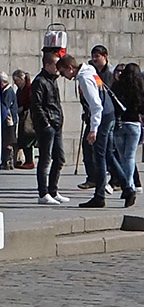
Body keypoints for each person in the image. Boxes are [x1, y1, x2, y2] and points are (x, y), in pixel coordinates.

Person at [58, 53, 115, 208]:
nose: (64, 77)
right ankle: (126, 187)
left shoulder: (84, 78)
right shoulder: (89, 69)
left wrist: (93, 129)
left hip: (101, 117)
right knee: (107, 154)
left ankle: (100, 196)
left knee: (100, 157)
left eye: (63, 72)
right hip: (108, 114)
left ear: (70, 68)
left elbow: (96, 105)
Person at [30, 51, 69, 205]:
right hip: (48, 125)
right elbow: (36, 105)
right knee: (45, 159)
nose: (58, 68)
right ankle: (43, 193)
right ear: (47, 65)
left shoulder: (52, 80)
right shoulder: (40, 81)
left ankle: (53, 190)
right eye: (55, 65)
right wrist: (46, 122)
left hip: (56, 123)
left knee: (59, 158)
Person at [77, 44, 116, 190]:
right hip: (93, 114)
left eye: (97, 56)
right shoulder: (90, 70)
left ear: (104, 56)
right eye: (93, 56)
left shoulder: (110, 73)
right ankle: (92, 178)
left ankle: (118, 180)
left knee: (107, 151)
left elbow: (103, 97)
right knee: (89, 147)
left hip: (105, 114)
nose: (94, 59)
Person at [110, 62, 143, 208]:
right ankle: (129, 185)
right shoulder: (140, 87)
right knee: (130, 156)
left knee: (121, 156)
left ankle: (127, 186)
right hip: (134, 123)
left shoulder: (117, 86)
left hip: (119, 124)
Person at [12, 69, 36, 169]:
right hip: (22, 116)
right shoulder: (20, 90)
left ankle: (29, 161)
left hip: (28, 116)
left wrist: (23, 107)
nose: (15, 83)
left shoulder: (29, 88)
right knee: (23, 138)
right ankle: (26, 160)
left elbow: (31, 101)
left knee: (27, 138)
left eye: (17, 80)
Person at [0, 72, 18, 170]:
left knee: (8, 142)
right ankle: (7, 161)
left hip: (9, 121)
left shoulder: (8, 91)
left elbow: (4, 107)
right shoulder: (7, 91)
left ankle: (7, 161)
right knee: (7, 141)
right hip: (9, 120)